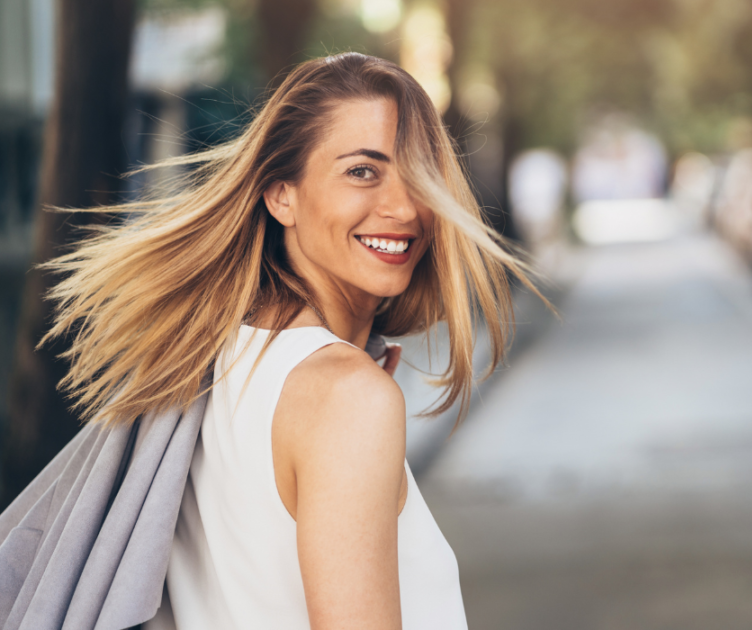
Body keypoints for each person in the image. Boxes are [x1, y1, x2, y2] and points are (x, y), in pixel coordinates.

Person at [33, 53, 539, 628]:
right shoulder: (346, 399)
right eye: (362, 171)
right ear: (282, 196)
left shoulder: (214, 359)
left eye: (419, 174)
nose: (406, 208)